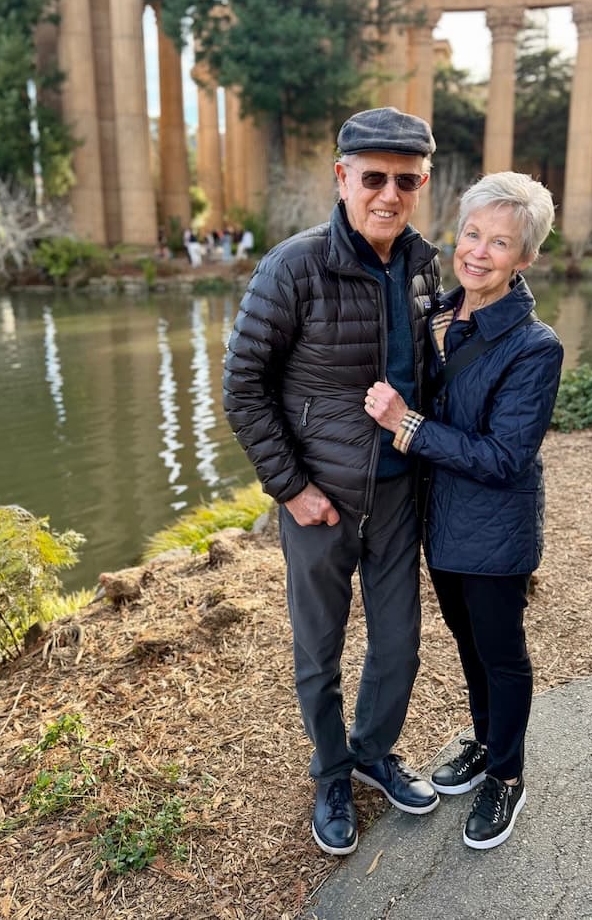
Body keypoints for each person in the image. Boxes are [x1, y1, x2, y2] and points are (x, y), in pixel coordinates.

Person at [223, 107, 442, 856]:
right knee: (319, 649)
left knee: (400, 643)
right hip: (321, 499)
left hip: (399, 493)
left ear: (422, 182)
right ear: (342, 176)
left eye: (405, 179)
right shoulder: (294, 265)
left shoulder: (424, 265)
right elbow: (242, 385)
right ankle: (330, 772)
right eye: (373, 176)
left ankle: (374, 752)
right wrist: (289, 487)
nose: (389, 193)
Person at [365, 171, 563, 851]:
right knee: (469, 645)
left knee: (502, 653)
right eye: (473, 233)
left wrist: (408, 425)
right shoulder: (439, 317)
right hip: (441, 525)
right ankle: (485, 741)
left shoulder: (536, 347)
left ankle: (507, 772)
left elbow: (507, 455)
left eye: (500, 242)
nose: (479, 251)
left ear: (524, 258)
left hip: (496, 532)